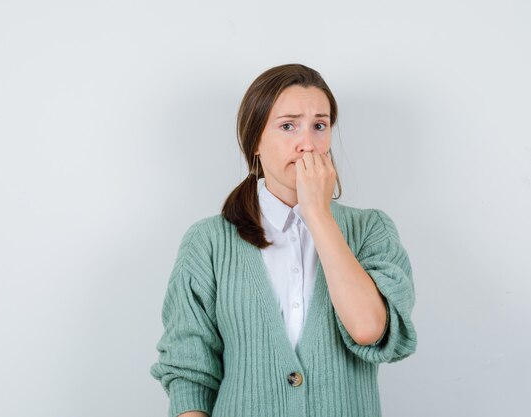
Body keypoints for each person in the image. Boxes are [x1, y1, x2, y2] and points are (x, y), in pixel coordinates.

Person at [150, 63, 418, 417]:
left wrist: (318, 215)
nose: (307, 143)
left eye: (319, 126)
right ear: (256, 141)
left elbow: (370, 329)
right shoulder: (209, 242)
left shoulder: (371, 230)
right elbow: (189, 374)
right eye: (288, 126)